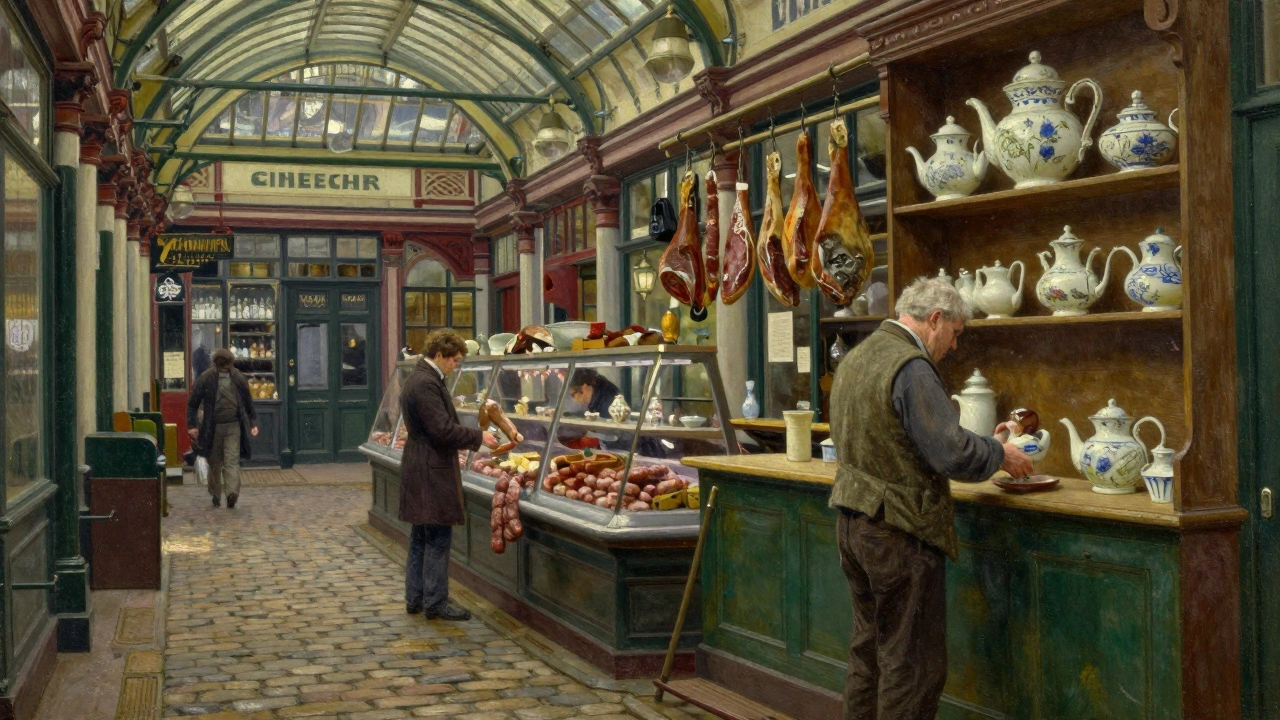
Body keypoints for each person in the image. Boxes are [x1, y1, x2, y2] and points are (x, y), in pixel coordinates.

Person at [828, 277, 1033, 720]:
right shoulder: (912, 366)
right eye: (955, 333)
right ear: (935, 320)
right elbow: (950, 453)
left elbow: (898, 439)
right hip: (899, 533)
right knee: (911, 664)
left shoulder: (859, 356)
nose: (955, 346)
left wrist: (984, 444)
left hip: (853, 525)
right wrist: (999, 454)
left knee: (868, 655)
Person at [400, 329, 496, 621]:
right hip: (431, 468)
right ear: (438, 355)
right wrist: (478, 437)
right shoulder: (425, 383)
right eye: (453, 360)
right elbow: (441, 429)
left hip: (420, 464)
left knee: (421, 535)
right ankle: (435, 603)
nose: (455, 365)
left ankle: (416, 598)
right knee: (437, 537)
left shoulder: (420, 378)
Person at [186, 347, 259, 509]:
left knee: (215, 462)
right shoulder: (238, 377)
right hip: (232, 426)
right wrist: (253, 422)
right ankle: (231, 491)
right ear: (231, 361)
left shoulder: (206, 377)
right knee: (231, 461)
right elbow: (248, 401)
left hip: (213, 427)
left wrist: (192, 426)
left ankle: (215, 492)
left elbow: (192, 403)